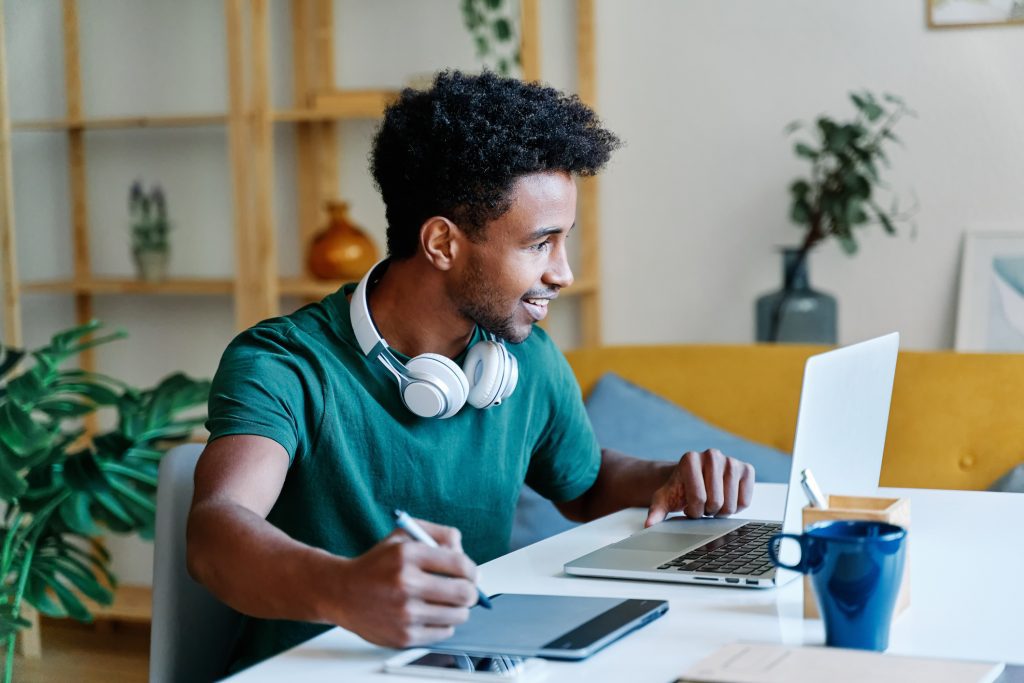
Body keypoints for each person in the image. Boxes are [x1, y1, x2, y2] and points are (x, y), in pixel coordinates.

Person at [186, 70, 756, 673]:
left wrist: (670, 476)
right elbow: (216, 531)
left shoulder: (523, 357)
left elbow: (585, 485)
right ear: (441, 244)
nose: (562, 272)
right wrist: (345, 589)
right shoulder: (285, 364)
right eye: (541, 244)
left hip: (473, 660)